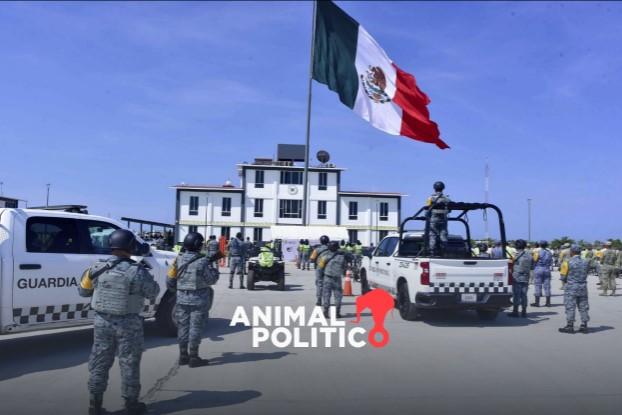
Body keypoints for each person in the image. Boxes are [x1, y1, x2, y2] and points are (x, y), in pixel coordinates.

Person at [78, 229, 159, 415]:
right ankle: (131, 404)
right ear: (130, 246)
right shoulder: (137, 270)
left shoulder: (96, 268)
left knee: (100, 361)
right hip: (129, 323)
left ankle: (94, 405)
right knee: (129, 362)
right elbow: (153, 292)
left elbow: (83, 292)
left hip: (102, 322)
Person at [167, 232, 221, 368]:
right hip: (199, 300)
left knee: (183, 327)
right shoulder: (203, 261)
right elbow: (212, 280)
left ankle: (183, 355)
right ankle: (194, 357)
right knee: (196, 327)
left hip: (181, 299)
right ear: (197, 245)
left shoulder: (178, 259)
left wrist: (176, 290)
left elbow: (170, 280)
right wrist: (215, 269)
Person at [559, 245, 590, 334]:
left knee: (570, 306)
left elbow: (563, 277)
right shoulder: (586, 262)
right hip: (583, 286)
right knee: (583, 306)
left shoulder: (567, 262)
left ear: (571, 252)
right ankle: (584, 325)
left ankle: (570, 326)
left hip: (571, 287)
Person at [320, 241, 353, 318]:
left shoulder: (325, 256)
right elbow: (346, 265)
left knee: (326, 295)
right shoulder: (342, 257)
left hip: (327, 277)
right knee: (338, 296)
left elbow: (320, 266)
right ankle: (337, 313)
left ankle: (326, 312)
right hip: (337, 279)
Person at [508, 239, 532, 318]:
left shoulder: (515, 255)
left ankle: (515, 311)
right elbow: (532, 265)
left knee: (516, 295)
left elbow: (510, 262)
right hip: (526, 276)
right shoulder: (529, 255)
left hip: (517, 276)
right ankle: (524, 311)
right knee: (524, 295)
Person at [426, 181, 451, 256]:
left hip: (433, 219)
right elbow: (450, 209)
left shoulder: (430, 198)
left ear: (434, 188)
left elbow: (427, 209)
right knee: (443, 235)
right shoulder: (447, 198)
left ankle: (432, 252)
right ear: (443, 188)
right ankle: (444, 252)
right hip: (443, 219)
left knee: (432, 235)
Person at [310, 235, 330, 306]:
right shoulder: (331, 248)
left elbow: (312, 259)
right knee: (328, 284)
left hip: (320, 267)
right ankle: (326, 300)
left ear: (320, 241)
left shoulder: (317, 249)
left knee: (319, 283)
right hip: (329, 267)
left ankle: (319, 300)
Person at [531, 240, 553, 307]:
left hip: (538, 269)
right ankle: (548, 302)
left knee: (538, 285)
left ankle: (537, 302)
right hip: (547, 269)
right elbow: (551, 261)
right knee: (547, 286)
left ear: (540, 245)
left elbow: (534, 260)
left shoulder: (537, 252)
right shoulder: (549, 252)